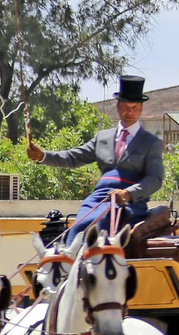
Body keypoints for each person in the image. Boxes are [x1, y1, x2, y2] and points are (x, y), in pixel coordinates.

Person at [26, 75, 163, 242]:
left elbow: (155, 179)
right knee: (80, 224)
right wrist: (43, 156)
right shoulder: (102, 138)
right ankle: (69, 259)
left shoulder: (151, 142)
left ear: (141, 109)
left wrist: (128, 193)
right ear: (118, 107)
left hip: (128, 203)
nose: (130, 112)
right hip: (98, 198)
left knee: (101, 222)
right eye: (126, 107)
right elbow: (73, 157)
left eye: (134, 108)